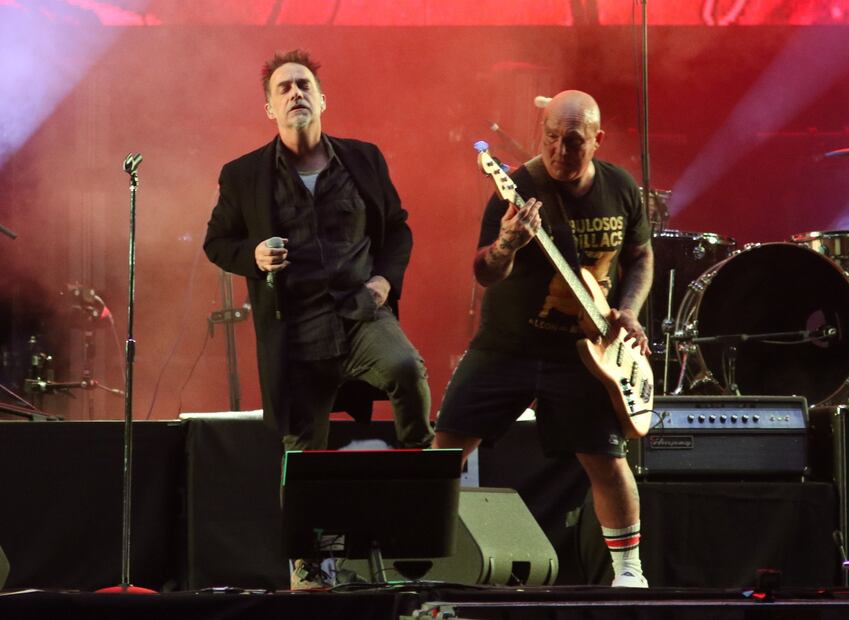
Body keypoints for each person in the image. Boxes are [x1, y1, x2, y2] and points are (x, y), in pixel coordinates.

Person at [203, 49, 434, 588]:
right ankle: (308, 565)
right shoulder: (243, 176)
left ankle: (419, 494)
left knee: (405, 369)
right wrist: (254, 257)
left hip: (360, 315)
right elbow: (218, 242)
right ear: (269, 109)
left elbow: (397, 229)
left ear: (322, 99)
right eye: (283, 89)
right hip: (296, 331)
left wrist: (384, 281)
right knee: (303, 453)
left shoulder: (363, 160)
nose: (295, 94)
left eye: (303, 84)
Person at [433, 90, 654, 588]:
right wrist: (508, 243)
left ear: (598, 140)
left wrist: (630, 311)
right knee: (445, 448)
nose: (559, 151)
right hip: (507, 344)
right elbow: (485, 273)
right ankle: (412, 554)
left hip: (585, 354)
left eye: (573, 141)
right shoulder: (513, 187)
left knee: (606, 459)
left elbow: (641, 256)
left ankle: (628, 570)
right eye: (551, 138)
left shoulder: (620, 188)